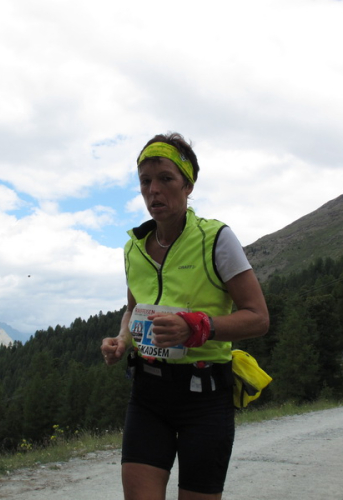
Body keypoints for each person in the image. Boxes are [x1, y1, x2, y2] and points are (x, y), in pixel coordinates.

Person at [100, 132, 269, 500]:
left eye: (166, 179)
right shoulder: (133, 248)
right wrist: (122, 340)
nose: (153, 190)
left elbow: (258, 317)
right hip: (148, 395)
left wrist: (197, 327)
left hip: (205, 397)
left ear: (188, 185)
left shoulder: (217, 238)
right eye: (145, 181)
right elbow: (132, 309)